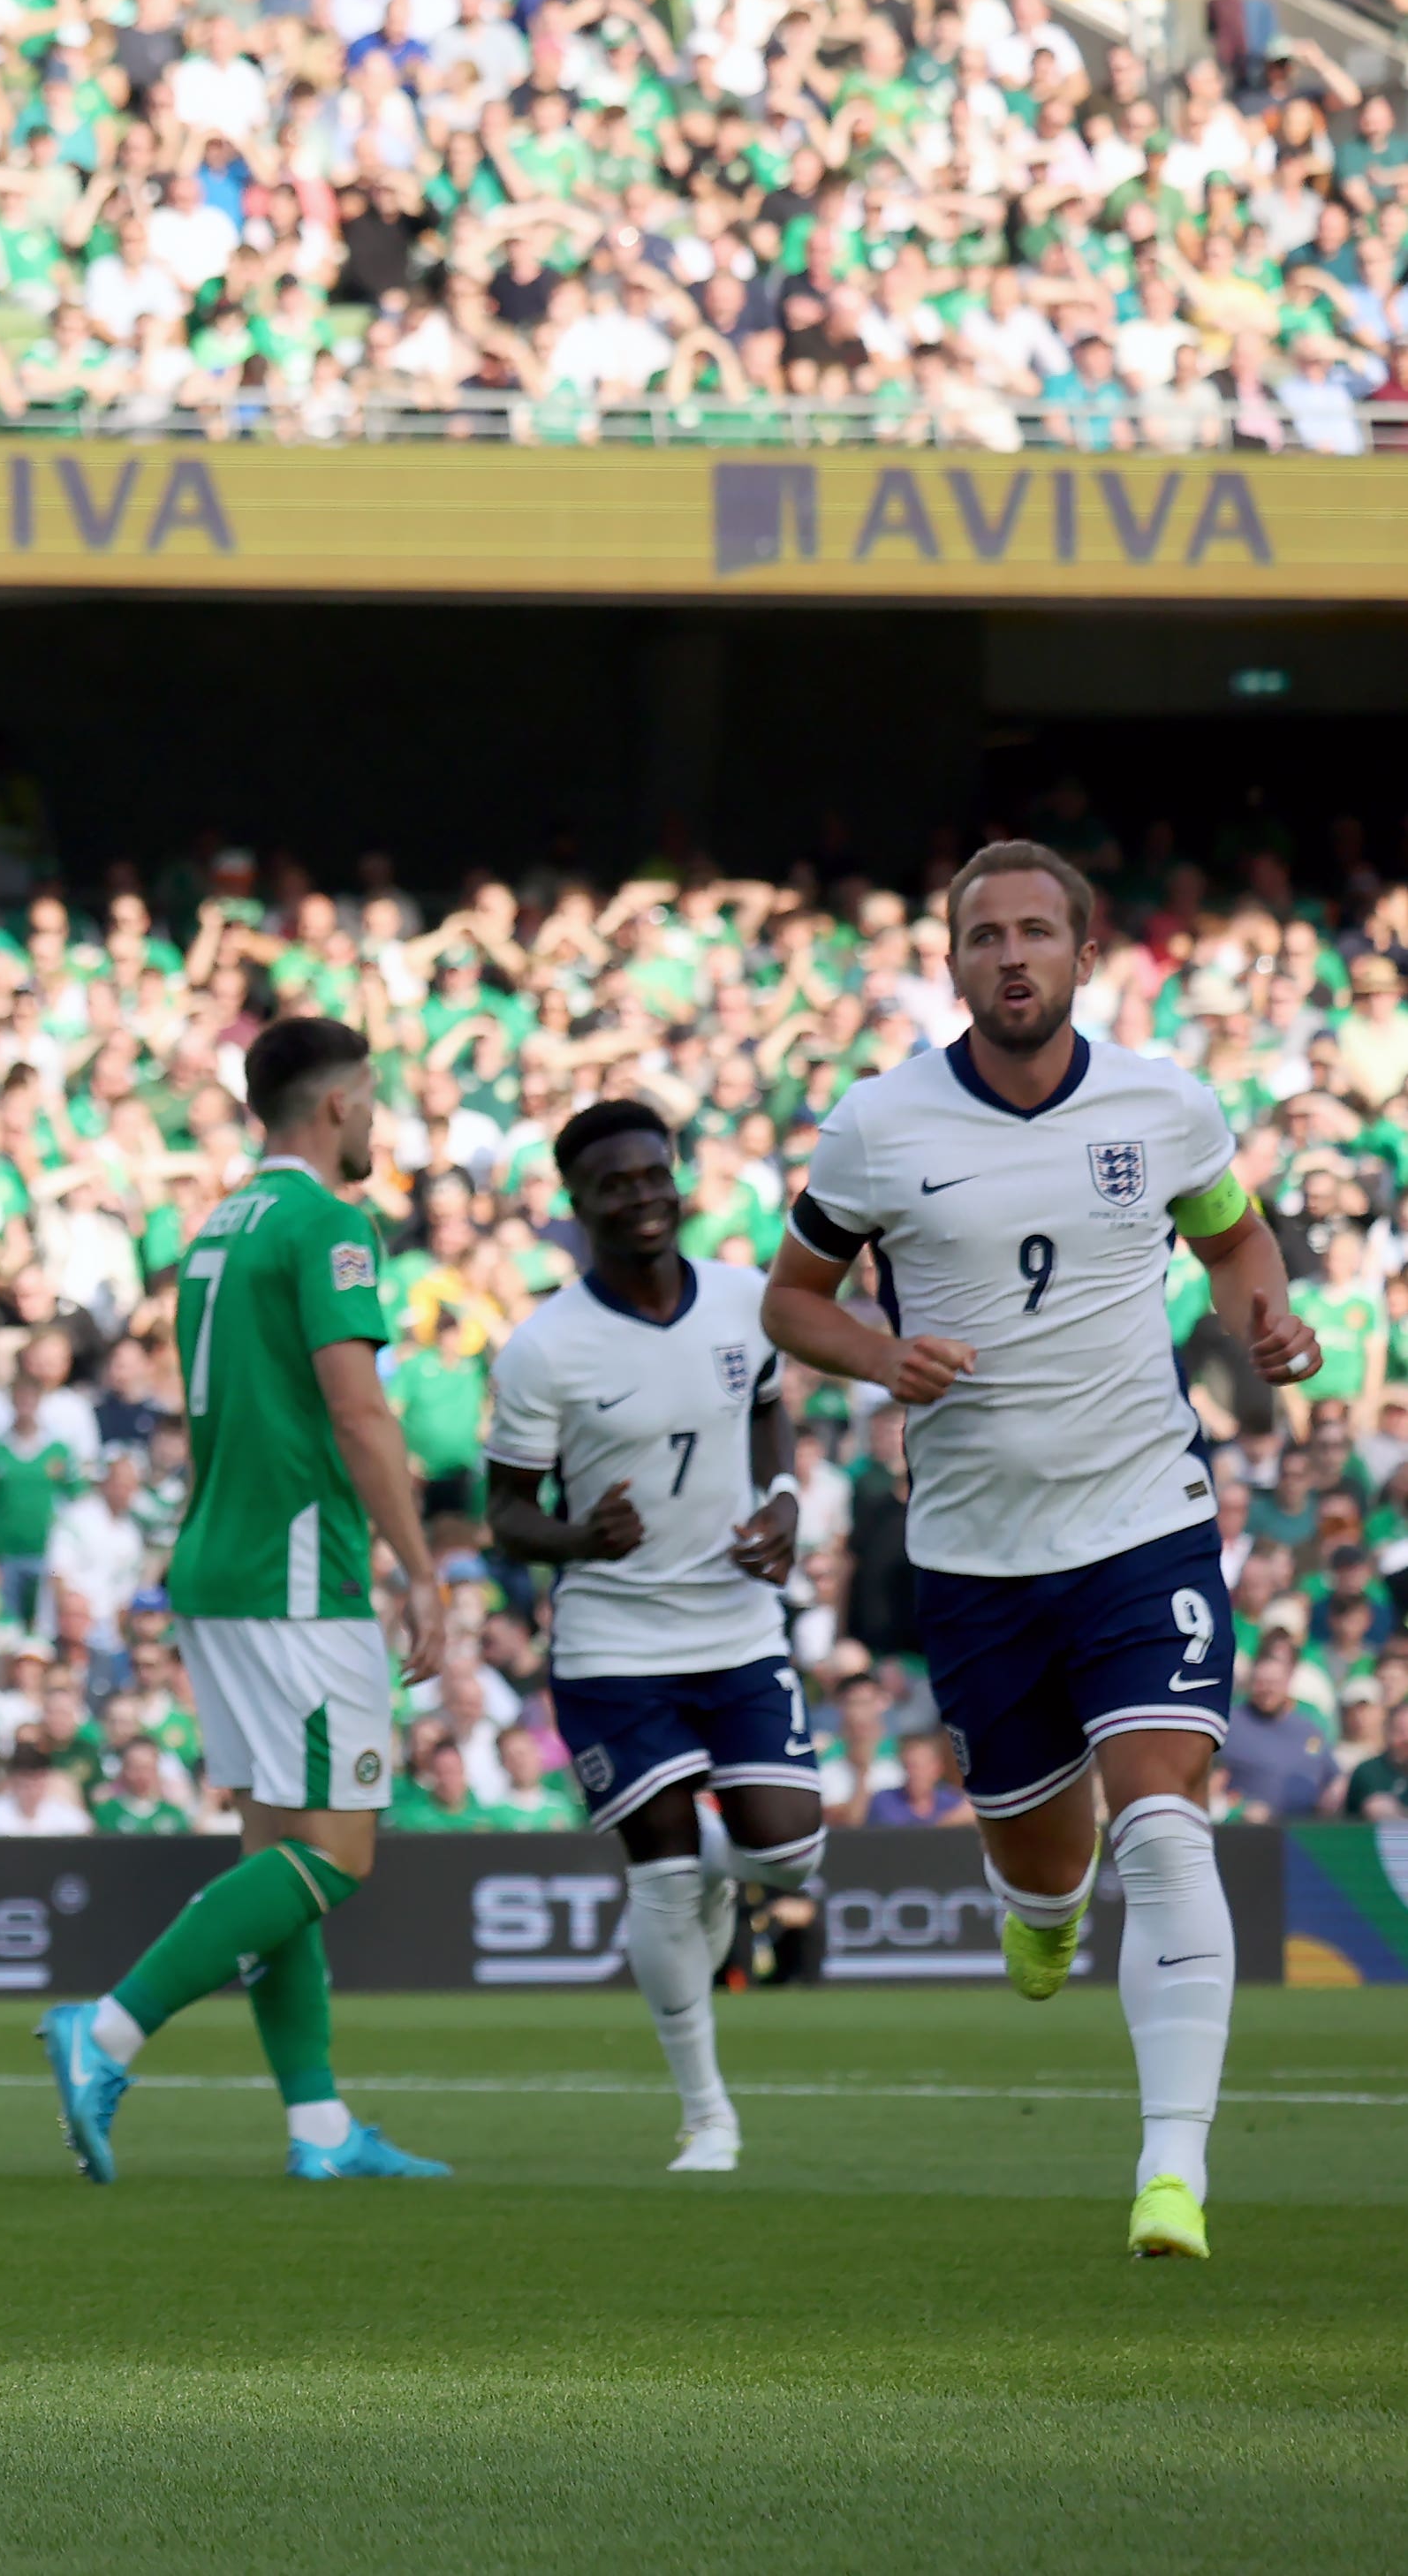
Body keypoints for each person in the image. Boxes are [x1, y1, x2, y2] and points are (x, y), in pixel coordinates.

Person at [761, 841, 1318, 2262]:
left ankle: (1172, 2176)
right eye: (981, 938)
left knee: (1167, 1821)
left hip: (1145, 1517)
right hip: (977, 1551)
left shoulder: (1164, 1105)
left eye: (1034, 934)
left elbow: (1238, 1240)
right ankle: (1039, 1906)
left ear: (1082, 954)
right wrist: (882, 1356)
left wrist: (1267, 1318)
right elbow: (790, 1304)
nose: (1010, 957)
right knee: (1044, 1860)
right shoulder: (879, 1126)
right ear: (952, 965)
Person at [40, 1019, 451, 2185]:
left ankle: (319, 2130)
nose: (375, 1118)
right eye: (369, 1098)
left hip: (218, 1560)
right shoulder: (329, 1224)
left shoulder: (219, 1226)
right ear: (332, 1107)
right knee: (338, 1854)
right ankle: (107, 2031)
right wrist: (422, 1571)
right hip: (295, 1573)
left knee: (276, 1852)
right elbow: (360, 1412)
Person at [482, 1101, 822, 2174]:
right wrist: (580, 1535)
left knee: (791, 1853)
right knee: (664, 1880)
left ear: (677, 1180)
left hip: (736, 1625)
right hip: (613, 1648)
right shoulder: (544, 1350)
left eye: (652, 1175)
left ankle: (719, 1868)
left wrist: (781, 1499)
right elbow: (503, 1511)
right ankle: (708, 2115)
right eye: (613, 1185)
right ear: (576, 1208)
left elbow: (769, 1405)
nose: (639, 1197)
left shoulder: (741, 1299)